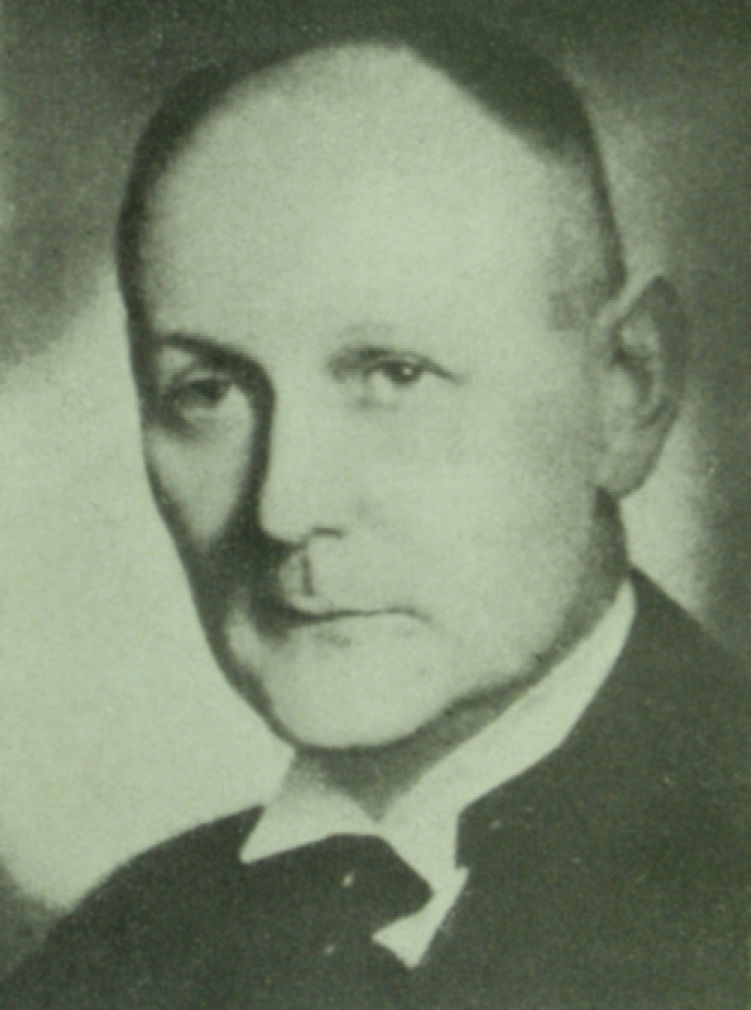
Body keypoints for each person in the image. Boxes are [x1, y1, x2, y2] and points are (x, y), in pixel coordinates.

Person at [2, 8, 749, 1009]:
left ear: (627, 390)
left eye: (393, 374)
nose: (284, 505)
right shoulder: (110, 954)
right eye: (207, 391)